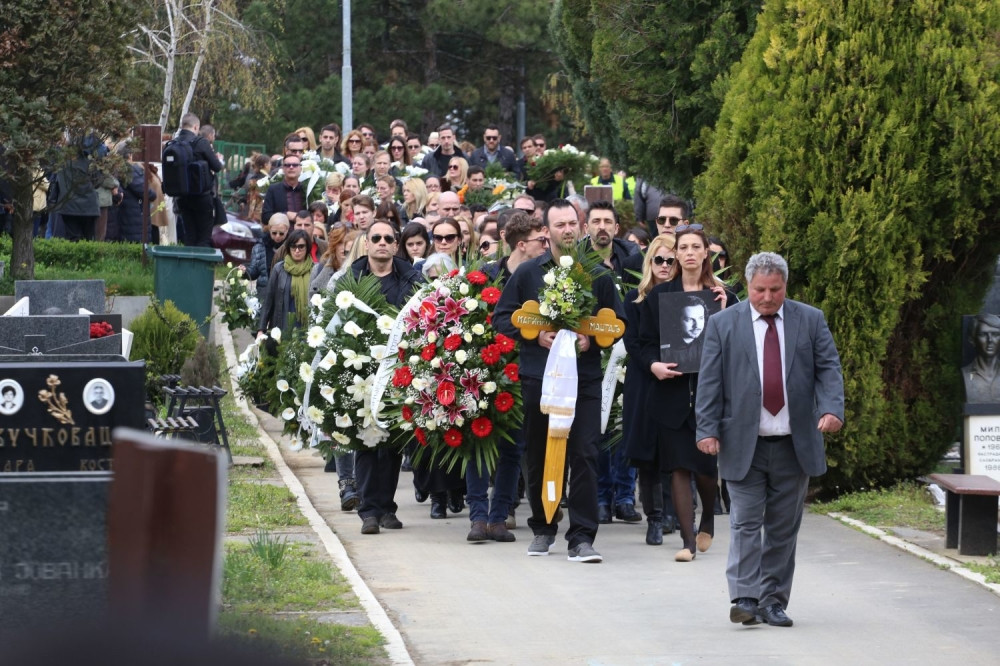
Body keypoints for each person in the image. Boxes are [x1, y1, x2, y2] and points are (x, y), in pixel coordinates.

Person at [696, 251, 844, 628]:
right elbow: (710, 381)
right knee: (745, 522)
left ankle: (773, 601)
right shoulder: (723, 324)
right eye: (759, 290)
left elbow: (828, 368)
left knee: (782, 528)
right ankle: (745, 597)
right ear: (748, 286)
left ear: (785, 286)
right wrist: (707, 429)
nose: (766, 297)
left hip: (794, 444)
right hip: (743, 442)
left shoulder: (809, 320)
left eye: (775, 290)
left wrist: (831, 409)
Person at [494, 199, 626, 563]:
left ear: (581, 228)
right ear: (546, 231)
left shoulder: (598, 275)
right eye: (559, 225)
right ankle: (543, 527)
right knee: (539, 454)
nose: (567, 230)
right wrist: (535, 337)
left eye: (572, 224)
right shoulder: (528, 274)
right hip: (540, 378)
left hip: (585, 380)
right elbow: (502, 318)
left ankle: (581, 537)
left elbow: (618, 323)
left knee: (585, 453)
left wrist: (591, 340)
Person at [637, 224, 735, 563]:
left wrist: (724, 311)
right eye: (684, 247)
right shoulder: (660, 297)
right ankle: (688, 540)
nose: (690, 253)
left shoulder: (723, 296)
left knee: (705, 469)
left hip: (710, 397)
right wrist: (654, 365)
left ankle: (707, 515)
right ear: (676, 254)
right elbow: (643, 342)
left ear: (707, 252)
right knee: (678, 467)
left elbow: (738, 342)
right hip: (671, 394)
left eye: (696, 247)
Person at [345, 222, 424, 534]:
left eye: (387, 238)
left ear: (395, 245)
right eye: (375, 238)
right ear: (366, 243)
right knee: (367, 440)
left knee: (392, 443)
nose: (381, 242)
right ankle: (368, 511)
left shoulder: (412, 279)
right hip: (360, 370)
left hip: (398, 370)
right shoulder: (351, 278)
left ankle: (387, 508)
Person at [623, 234, 677, 544]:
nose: (665, 265)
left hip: (677, 380)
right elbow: (632, 342)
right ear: (649, 262)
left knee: (675, 451)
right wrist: (653, 365)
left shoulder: (684, 297)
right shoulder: (635, 299)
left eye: (671, 260)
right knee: (647, 453)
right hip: (644, 380)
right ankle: (654, 519)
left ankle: (674, 513)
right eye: (659, 259)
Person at [173, 114, 224, 246]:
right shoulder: (201, 143)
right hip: (202, 197)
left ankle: (189, 259)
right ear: (196, 127)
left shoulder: (174, 143)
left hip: (182, 197)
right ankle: (201, 259)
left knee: (189, 235)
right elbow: (217, 167)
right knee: (204, 237)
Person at [257, 229, 314, 335]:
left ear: (307, 248)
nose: (297, 250)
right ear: (288, 247)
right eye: (293, 246)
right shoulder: (279, 269)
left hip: (306, 328)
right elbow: (269, 300)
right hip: (282, 326)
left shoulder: (314, 270)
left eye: (301, 246)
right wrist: (261, 329)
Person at [242, 213, 289, 291]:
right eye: (274, 233)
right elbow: (254, 271)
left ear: (287, 230)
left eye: (281, 233)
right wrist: (245, 271)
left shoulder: (292, 247)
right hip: (264, 290)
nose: (277, 236)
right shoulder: (260, 246)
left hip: (285, 291)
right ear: (269, 229)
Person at [962, 314, 1000, 403]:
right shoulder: (966, 374)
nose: (990, 340)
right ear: (972, 340)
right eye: (983, 334)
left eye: (995, 334)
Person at [261, 153, 305, 226]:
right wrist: (285, 215)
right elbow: (265, 217)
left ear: (300, 169)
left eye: (295, 165)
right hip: (281, 232)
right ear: (283, 169)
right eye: (287, 165)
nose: (291, 167)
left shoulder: (307, 189)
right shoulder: (273, 189)